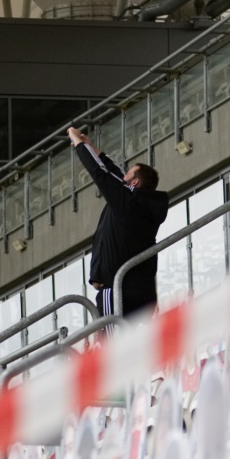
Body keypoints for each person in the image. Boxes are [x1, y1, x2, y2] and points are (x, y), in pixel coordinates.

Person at [67, 127, 169, 319]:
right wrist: (90, 146)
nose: (122, 177)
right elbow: (112, 171)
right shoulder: (141, 205)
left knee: (112, 345)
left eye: (127, 175)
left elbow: (100, 173)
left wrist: (79, 145)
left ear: (134, 184)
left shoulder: (127, 203)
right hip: (141, 292)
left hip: (117, 292)